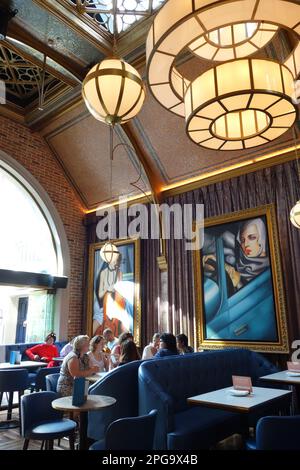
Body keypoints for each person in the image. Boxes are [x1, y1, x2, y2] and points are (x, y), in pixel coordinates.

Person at [93, 250, 133, 336]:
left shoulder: (118, 272)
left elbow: (119, 288)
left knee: (125, 314)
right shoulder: (104, 273)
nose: (117, 263)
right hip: (104, 301)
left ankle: (125, 336)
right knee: (100, 317)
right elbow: (101, 292)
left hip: (115, 299)